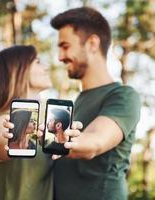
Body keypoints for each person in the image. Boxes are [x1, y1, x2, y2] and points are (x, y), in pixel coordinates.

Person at [50, 7, 141, 200]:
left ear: (92, 43)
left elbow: (94, 141)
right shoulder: (78, 102)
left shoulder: (123, 96)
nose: (59, 56)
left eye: (65, 46)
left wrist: (62, 139)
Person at [0, 45, 54, 200]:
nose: (46, 66)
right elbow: (0, 145)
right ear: (18, 71)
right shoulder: (0, 121)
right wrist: (12, 137)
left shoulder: (44, 123)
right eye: (37, 62)